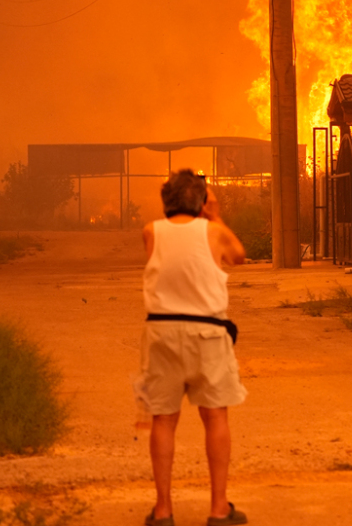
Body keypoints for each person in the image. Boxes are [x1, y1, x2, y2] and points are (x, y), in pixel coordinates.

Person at [137, 169, 249, 526]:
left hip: (162, 333)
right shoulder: (214, 230)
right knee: (215, 416)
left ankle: (163, 510)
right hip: (207, 333)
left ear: (166, 200)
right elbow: (238, 256)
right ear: (202, 201)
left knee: (164, 420)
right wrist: (213, 213)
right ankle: (218, 510)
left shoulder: (151, 232)